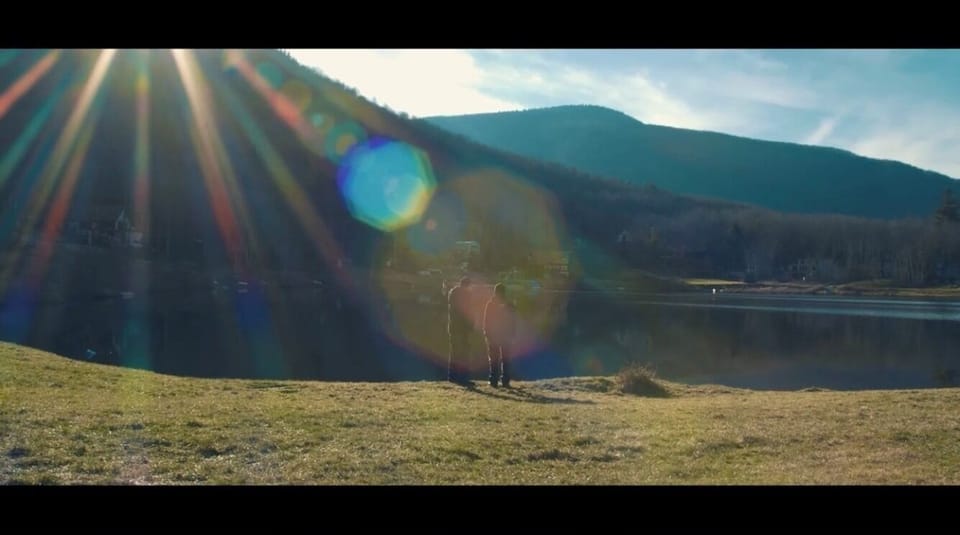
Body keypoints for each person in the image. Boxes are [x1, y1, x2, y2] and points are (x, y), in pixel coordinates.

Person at [483, 282, 515, 388]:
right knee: (506, 359)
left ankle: (493, 380)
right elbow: (513, 320)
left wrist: (486, 333)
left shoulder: (490, 304)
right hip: (506, 335)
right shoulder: (509, 304)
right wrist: (512, 333)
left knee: (493, 358)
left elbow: (486, 320)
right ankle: (505, 380)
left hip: (493, 335)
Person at [446, 276, 474, 385]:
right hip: (462, 329)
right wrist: (470, 326)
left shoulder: (452, 293)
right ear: (467, 285)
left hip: (453, 327)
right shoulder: (466, 295)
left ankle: (452, 376)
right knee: (463, 354)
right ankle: (463, 378)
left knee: (454, 352)